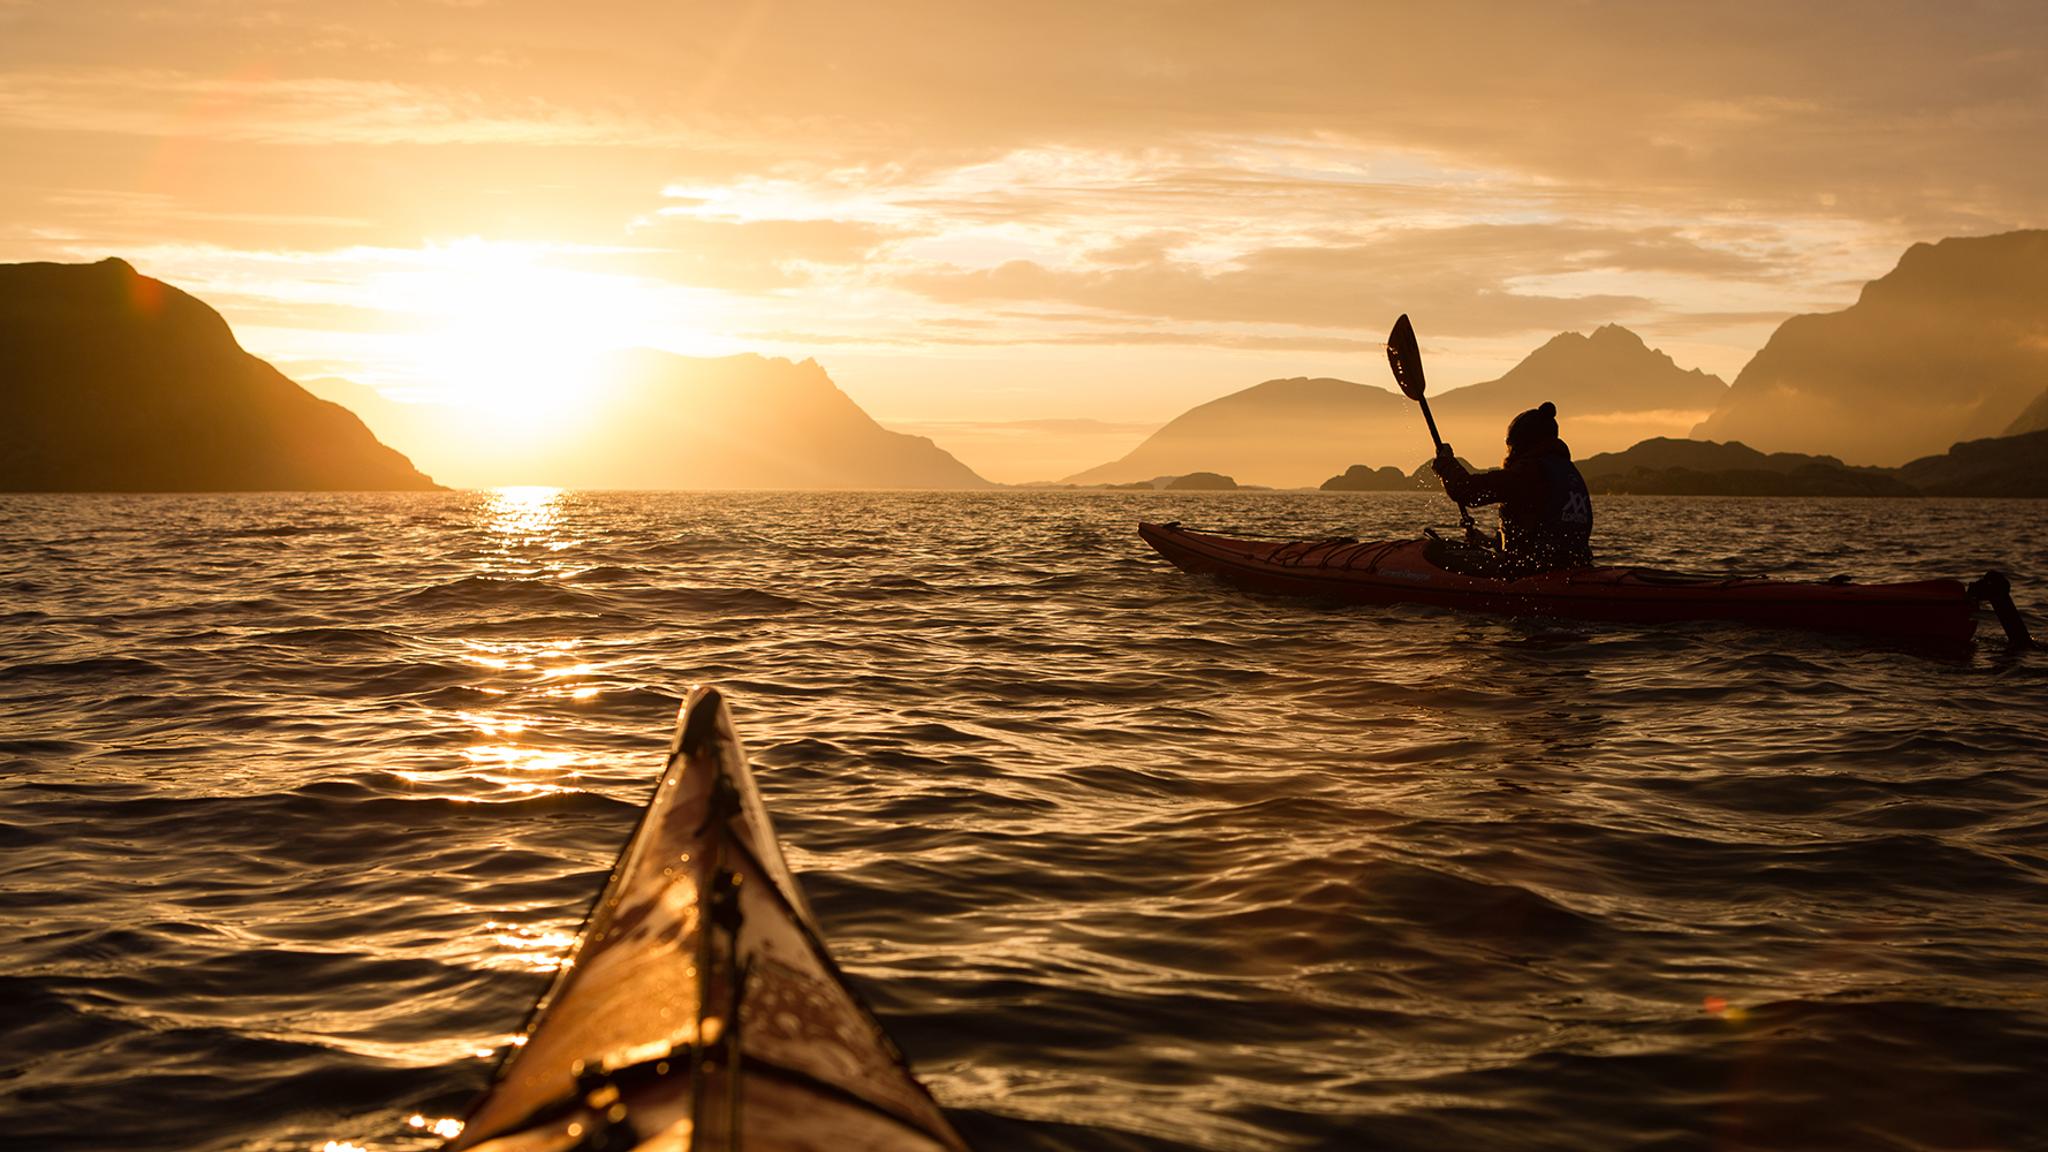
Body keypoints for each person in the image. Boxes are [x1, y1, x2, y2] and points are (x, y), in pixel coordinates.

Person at [1430, 401, 1593, 574]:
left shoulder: (1530, 472)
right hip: (1573, 569)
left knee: (1434, 551)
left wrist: (1446, 463)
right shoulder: (1568, 472)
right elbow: (1542, 533)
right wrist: (1490, 542)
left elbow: (1467, 491)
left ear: (1521, 443)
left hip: (1530, 572)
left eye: (1510, 446)